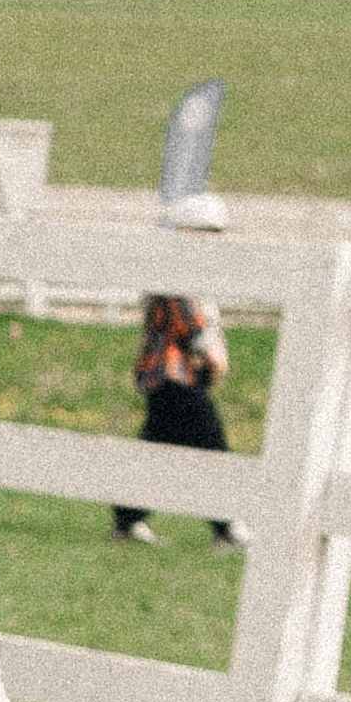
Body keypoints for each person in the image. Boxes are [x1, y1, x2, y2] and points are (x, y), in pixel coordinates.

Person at [113, 194, 251, 551]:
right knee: (211, 446)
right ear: (187, 231)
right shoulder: (175, 269)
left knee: (156, 451)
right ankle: (226, 528)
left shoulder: (184, 269)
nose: (213, 241)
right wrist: (213, 355)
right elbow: (189, 323)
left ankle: (126, 521)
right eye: (207, 233)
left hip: (169, 376)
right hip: (173, 375)